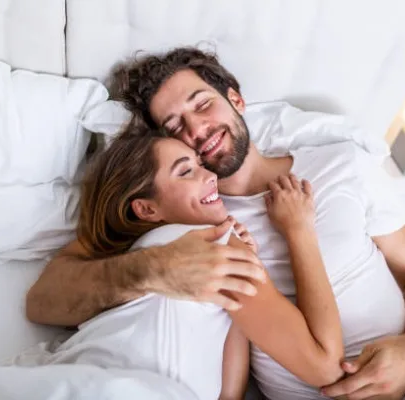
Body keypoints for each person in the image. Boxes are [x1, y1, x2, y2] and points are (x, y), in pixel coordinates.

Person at [27, 48, 405, 400]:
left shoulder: (342, 164)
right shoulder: (184, 212)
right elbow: (46, 300)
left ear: (236, 100)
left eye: (203, 104)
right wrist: (153, 269)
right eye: (175, 126)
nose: (198, 129)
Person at [41, 127, 344, 400]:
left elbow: (228, 395)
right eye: (186, 171)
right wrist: (300, 230)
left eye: (201, 165)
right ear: (146, 209)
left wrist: (240, 278)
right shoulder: (197, 242)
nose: (210, 176)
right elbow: (324, 366)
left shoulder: (144, 256)